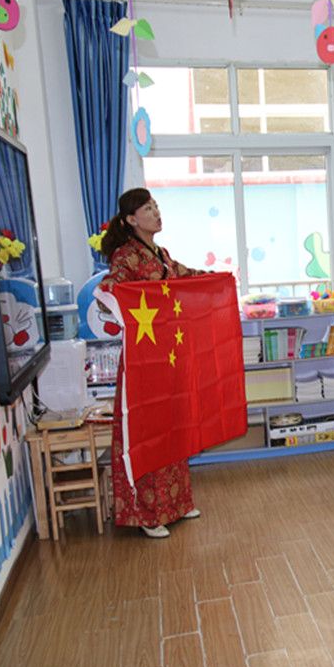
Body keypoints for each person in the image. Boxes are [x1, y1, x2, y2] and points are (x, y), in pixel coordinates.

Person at [98, 188, 207, 538]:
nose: (156, 212)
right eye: (148, 208)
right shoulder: (125, 256)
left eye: (156, 206)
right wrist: (118, 298)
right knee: (148, 431)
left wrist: (215, 278)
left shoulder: (161, 254)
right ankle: (147, 513)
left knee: (173, 426)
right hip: (143, 360)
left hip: (168, 354)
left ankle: (177, 503)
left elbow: (184, 274)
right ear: (131, 219)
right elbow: (108, 291)